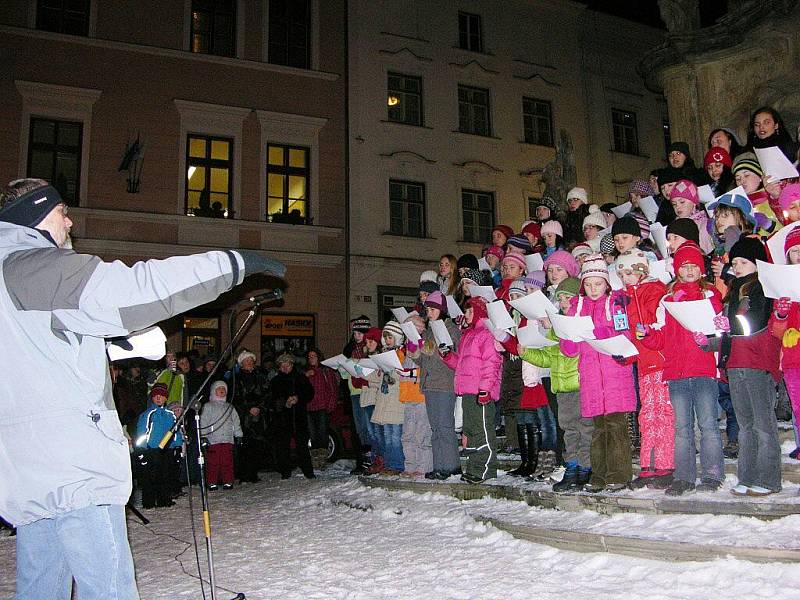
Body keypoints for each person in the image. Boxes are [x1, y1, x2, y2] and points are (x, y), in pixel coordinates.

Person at [0, 177, 284, 599]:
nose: (70, 221)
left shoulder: (9, 274)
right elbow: (138, 288)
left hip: (27, 465)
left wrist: (107, 345)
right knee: (109, 586)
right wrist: (232, 264)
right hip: (70, 463)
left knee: (41, 585)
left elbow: (35, 352)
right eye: (63, 213)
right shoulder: (36, 267)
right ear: (37, 214)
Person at [639, 242, 725, 496]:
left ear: (701, 269)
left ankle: (712, 474)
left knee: (708, 424)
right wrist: (646, 336)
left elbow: (719, 330)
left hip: (703, 368)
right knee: (681, 427)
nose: (689, 271)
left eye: (694, 266)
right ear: (677, 269)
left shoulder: (710, 295)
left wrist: (712, 334)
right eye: (684, 266)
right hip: (676, 371)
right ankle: (684, 476)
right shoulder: (667, 299)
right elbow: (661, 336)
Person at [697, 238, 781, 496]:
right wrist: (708, 342)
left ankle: (768, 480)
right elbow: (729, 335)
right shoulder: (733, 292)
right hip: (735, 364)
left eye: (744, 262)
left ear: (757, 264)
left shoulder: (763, 289)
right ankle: (747, 477)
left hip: (757, 363)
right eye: (735, 263)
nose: (738, 267)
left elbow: (752, 324)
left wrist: (727, 323)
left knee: (763, 425)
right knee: (745, 426)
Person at [559, 254, 637, 493]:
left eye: (598, 284)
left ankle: (619, 474)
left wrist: (601, 332)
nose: (593, 289)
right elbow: (570, 349)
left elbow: (626, 336)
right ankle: (599, 475)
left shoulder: (616, 303)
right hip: (592, 378)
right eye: (589, 284)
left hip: (615, 376)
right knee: (597, 429)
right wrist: (569, 338)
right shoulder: (576, 308)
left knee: (616, 427)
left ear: (606, 284)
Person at [616, 251, 674, 490]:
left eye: (629, 273)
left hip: (660, 361)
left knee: (663, 413)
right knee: (646, 414)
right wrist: (624, 353)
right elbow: (628, 332)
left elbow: (652, 323)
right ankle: (648, 465)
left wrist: (634, 300)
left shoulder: (654, 291)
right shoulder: (624, 297)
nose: (625, 279)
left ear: (642, 271)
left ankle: (666, 464)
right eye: (621, 275)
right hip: (643, 363)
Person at [441, 297, 503, 483]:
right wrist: (448, 356)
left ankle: (486, 469)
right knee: (471, 431)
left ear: (480, 312)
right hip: (468, 391)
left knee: (482, 430)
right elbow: (462, 364)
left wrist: (485, 389)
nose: (466, 315)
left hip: (480, 392)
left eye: (470, 312)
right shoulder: (469, 335)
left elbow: (492, 363)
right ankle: (475, 467)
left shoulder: (487, 333)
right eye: (465, 312)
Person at [410, 291, 462, 480]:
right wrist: (414, 350)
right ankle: (439, 464)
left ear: (442, 310)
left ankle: (451, 465)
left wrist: (429, 348)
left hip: (445, 382)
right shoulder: (429, 330)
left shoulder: (451, 329)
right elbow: (423, 361)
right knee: (436, 428)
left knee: (445, 426)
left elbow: (451, 357)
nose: (429, 313)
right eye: (428, 309)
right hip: (429, 382)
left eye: (432, 309)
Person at [770, 228, 800, 461]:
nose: (798, 255)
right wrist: (781, 315)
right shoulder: (783, 286)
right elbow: (776, 331)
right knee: (798, 409)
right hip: (793, 358)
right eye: (794, 251)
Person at [134, 383, 183, 509]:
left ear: (166, 398)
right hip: (152, 448)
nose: (159, 398)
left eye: (161, 396)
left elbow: (175, 431)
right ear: (152, 398)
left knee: (166, 475)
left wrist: (177, 446)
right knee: (151, 476)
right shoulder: (149, 414)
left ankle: (164, 499)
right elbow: (142, 431)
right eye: (156, 396)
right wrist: (141, 448)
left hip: (167, 449)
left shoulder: (170, 414)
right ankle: (149, 501)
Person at [270, 353, 315, 479]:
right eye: (282, 365)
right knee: (283, 446)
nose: (285, 367)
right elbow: (272, 399)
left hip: (299, 417)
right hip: (283, 419)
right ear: (279, 367)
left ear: (292, 365)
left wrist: (298, 398)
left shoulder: (300, 378)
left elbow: (310, 393)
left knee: (302, 445)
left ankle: (308, 472)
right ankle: (285, 472)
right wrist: (285, 402)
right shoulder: (275, 381)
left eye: (287, 365)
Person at [200, 381, 243, 490]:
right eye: (219, 389)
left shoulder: (230, 407)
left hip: (227, 439)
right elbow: (204, 421)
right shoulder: (208, 406)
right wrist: (203, 435)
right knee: (213, 462)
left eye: (224, 389)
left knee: (227, 461)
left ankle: (228, 481)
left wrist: (238, 435)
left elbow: (235, 421)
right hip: (213, 440)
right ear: (213, 391)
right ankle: (212, 482)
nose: (222, 391)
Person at [305, 348, 340, 470]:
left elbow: (333, 389)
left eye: (313, 356)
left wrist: (330, 406)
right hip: (309, 408)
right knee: (313, 435)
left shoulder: (326, 371)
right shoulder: (306, 372)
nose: (311, 358)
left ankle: (322, 460)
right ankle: (315, 460)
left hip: (322, 407)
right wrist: (305, 376)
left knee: (323, 434)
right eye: (309, 356)